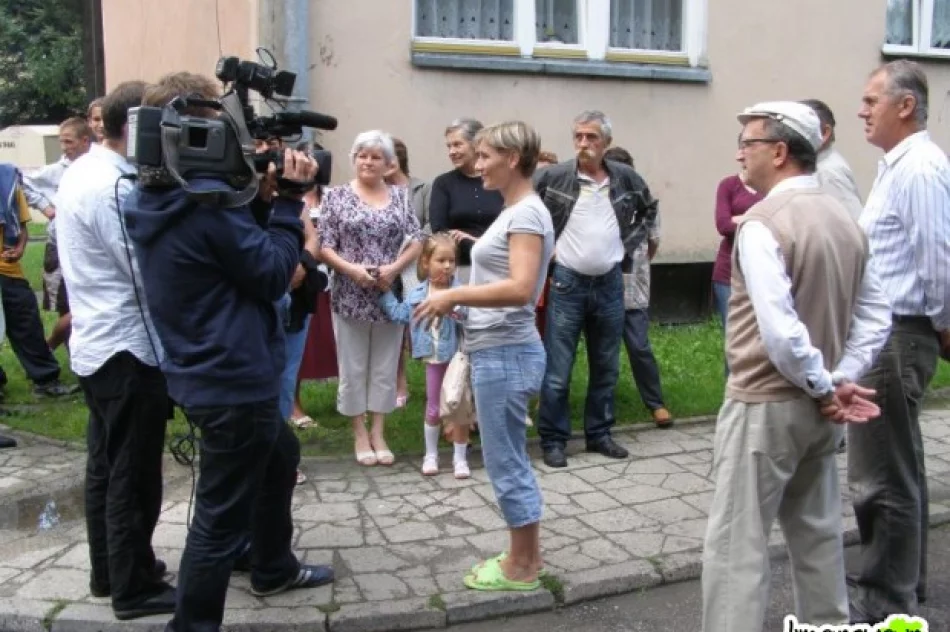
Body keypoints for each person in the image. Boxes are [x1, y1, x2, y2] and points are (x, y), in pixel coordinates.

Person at [123, 71, 334, 632]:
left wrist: (260, 204)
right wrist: (290, 205)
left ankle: (271, 565)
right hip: (232, 381)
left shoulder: (165, 198)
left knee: (281, 457)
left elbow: (233, 259)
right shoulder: (204, 207)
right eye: (218, 125)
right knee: (217, 522)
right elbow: (268, 273)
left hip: (210, 369)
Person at [700, 101, 891, 632]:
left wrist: (826, 383)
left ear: (780, 153)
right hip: (820, 409)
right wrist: (839, 378)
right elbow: (877, 313)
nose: (740, 152)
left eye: (749, 142)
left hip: (764, 406)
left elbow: (780, 331)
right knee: (818, 537)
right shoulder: (844, 218)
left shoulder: (763, 224)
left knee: (737, 545)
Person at [54, 81, 176, 621]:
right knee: (133, 471)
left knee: (105, 466)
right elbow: (142, 270)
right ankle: (132, 587)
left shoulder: (86, 169)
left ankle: (112, 572)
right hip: (125, 346)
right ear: (141, 127)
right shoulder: (113, 186)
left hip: (98, 342)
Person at [415, 120, 554, 592]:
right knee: (506, 457)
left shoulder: (526, 214)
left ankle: (521, 568)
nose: (478, 166)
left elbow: (519, 289)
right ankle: (525, 554)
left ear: (512, 158)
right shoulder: (515, 210)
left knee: (505, 460)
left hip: (507, 354)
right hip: (498, 349)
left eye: (486, 156)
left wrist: (454, 298)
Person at [848, 60, 950, 625]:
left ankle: (888, 605)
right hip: (888, 335)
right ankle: (898, 587)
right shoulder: (898, 165)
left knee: (883, 479)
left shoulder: (919, 168)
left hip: (898, 335)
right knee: (894, 471)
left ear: (905, 106)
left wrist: (943, 325)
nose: (862, 111)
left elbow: (938, 258)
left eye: (871, 101)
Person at [535, 110, 657, 469]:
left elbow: (649, 212)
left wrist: (626, 245)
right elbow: (528, 214)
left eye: (591, 138)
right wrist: (548, 255)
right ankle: (554, 439)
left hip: (609, 285)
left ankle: (599, 434)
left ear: (606, 143)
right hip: (568, 283)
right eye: (579, 137)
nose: (584, 144)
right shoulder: (554, 177)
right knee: (558, 369)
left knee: (606, 366)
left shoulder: (625, 178)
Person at [318, 130, 423, 467]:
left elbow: (418, 239)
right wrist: (352, 271)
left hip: (388, 295)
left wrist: (393, 269)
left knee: (385, 365)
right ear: (353, 158)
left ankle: (379, 430)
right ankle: (359, 432)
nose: (368, 161)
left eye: (376, 156)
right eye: (362, 155)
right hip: (350, 294)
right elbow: (324, 246)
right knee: (353, 366)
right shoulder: (335, 197)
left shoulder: (401, 197)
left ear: (388, 164)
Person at [379, 232, 470, 479]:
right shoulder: (419, 294)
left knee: (460, 409)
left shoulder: (461, 292)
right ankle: (430, 455)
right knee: (433, 408)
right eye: (441, 260)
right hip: (433, 358)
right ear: (425, 263)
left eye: (451, 260)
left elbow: (471, 318)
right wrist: (384, 292)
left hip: (458, 359)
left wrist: (455, 309)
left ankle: (460, 458)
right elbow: (400, 315)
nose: (447, 266)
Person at [603, 146, 671, 427]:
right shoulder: (599, 202)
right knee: (604, 352)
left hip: (634, 291)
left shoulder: (645, 202)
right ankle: (604, 409)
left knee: (639, 347)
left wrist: (637, 267)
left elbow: (653, 242)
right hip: (603, 289)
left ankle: (655, 403)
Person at [0, 164, 77, 399]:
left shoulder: (6, 177)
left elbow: (21, 220)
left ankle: (45, 380)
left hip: (8, 266)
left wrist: (22, 246)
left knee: (27, 321)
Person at [21, 117, 94, 351]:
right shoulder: (56, 171)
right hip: (60, 247)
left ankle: (51, 349)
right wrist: (44, 206)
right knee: (67, 306)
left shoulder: (96, 166)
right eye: (61, 142)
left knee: (85, 306)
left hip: (87, 246)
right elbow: (20, 180)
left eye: (69, 142)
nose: (64, 147)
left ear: (85, 141)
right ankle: (55, 350)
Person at [429, 118, 505, 283]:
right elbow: (439, 231)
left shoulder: (498, 182)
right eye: (449, 146)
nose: (451, 151)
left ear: (476, 144)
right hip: (459, 268)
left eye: (457, 144)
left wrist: (474, 241)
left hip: (498, 267)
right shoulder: (443, 183)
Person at [385, 137, 430, 408]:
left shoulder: (422, 188)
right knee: (393, 327)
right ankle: (399, 384)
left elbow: (429, 224)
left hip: (416, 264)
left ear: (399, 159)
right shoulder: (377, 191)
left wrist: (410, 250)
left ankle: (432, 382)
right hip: (388, 265)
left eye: (387, 158)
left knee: (423, 321)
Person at [801, 98, 863, 219]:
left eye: (800, 128)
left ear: (824, 133)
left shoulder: (828, 172)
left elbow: (851, 225)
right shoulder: (816, 167)